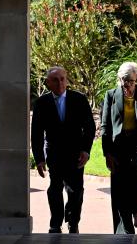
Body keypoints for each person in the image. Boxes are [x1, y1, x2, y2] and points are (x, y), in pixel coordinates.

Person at [31, 66, 96, 233]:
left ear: (66, 81)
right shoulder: (41, 103)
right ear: (48, 83)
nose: (59, 83)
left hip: (76, 153)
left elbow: (89, 127)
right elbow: (36, 133)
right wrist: (39, 158)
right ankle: (55, 223)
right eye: (55, 80)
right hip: (54, 153)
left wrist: (86, 151)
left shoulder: (79, 99)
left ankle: (73, 221)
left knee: (76, 191)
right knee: (55, 189)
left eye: (62, 79)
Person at [101, 61, 137, 234]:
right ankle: (125, 229)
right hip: (118, 146)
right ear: (119, 79)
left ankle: (135, 210)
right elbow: (105, 126)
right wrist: (107, 153)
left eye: (131, 81)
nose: (128, 85)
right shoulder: (111, 95)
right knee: (119, 188)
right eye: (124, 81)